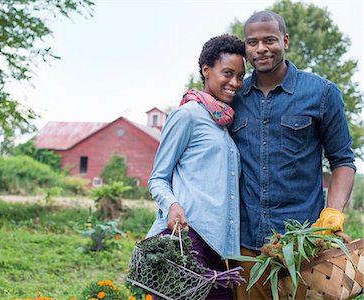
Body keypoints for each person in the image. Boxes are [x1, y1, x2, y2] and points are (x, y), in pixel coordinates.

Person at [229, 11, 356, 299]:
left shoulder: (322, 93)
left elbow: (343, 161)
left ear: (285, 41)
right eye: (252, 42)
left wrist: (333, 213)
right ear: (245, 48)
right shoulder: (233, 97)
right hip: (246, 248)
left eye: (269, 40)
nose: (261, 48)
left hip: (301, 247)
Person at [146, 34, 246, 299]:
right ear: (206, 70)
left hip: (222, 248)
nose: (234, 83)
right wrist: (172, 205)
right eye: (227, 73)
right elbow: (157, 178)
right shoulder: (187, 115)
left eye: (240, 76)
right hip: (187, 240)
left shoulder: (225, 123)